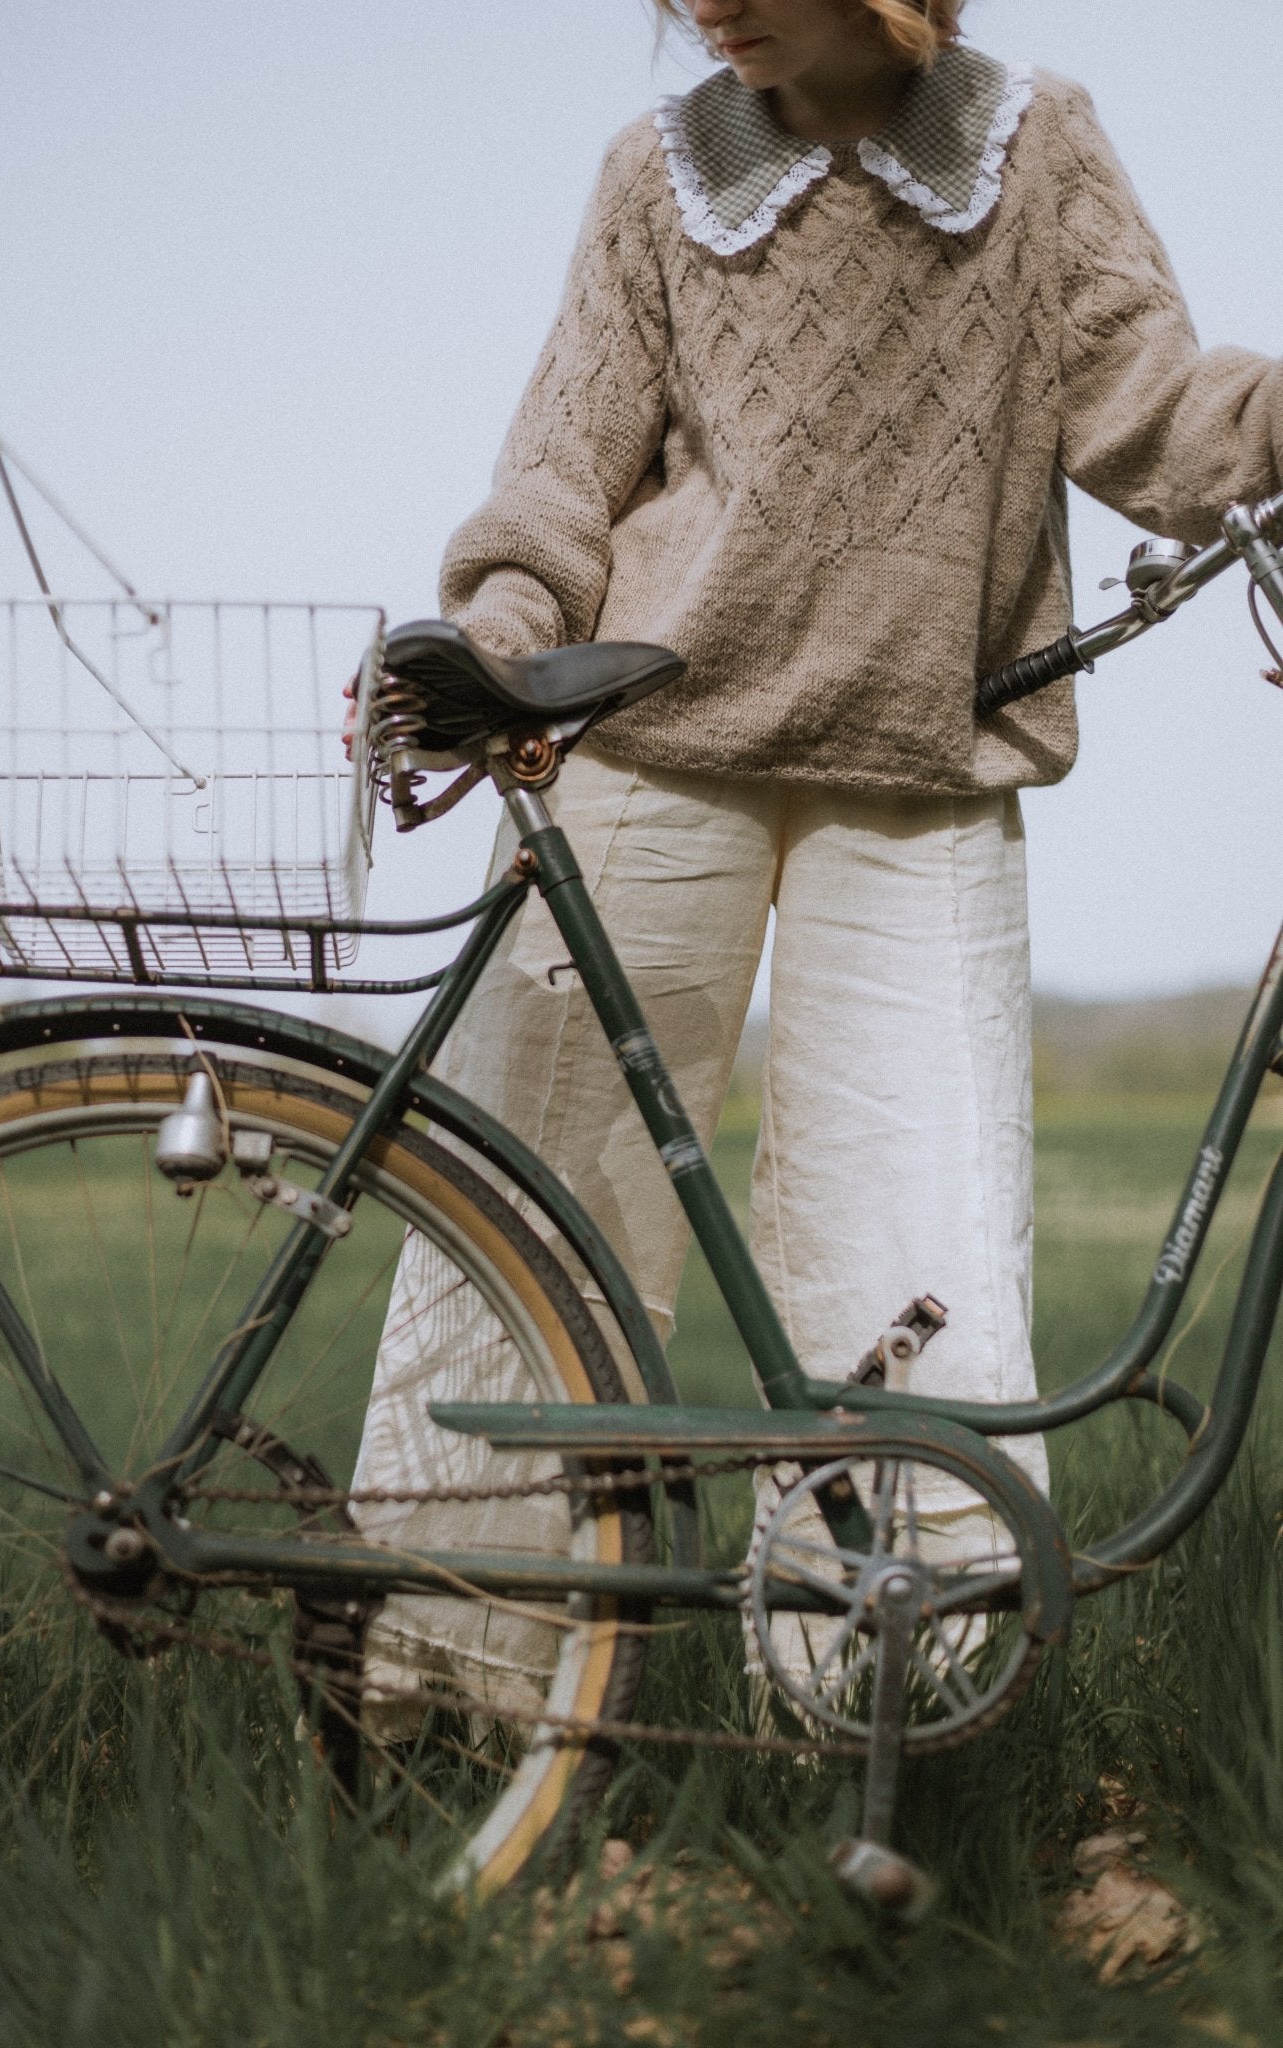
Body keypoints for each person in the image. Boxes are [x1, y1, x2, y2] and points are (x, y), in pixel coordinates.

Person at [350, 0, 1283, 1732]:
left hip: (916, 770)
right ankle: (448, 1689)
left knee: (910, 1237)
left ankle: (879, 1700)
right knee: (542, 1216)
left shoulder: (1035, 146)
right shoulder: (656, 173)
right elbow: (564, 463)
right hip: (647, 747)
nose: (699, 4)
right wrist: (501, 632)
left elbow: (1154, 412)